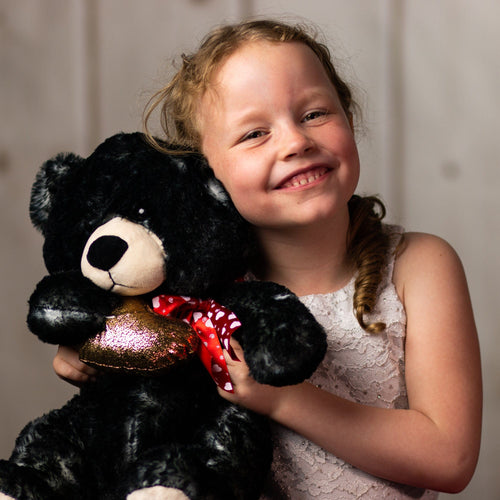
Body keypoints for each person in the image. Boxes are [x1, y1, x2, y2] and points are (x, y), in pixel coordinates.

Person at [54, 19, 482, 499]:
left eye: (315, 113)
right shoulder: (197, 294)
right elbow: (138, 366)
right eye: (255, 133)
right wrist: (90, 352)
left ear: (349, 117)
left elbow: (451, 457)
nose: (296, 142)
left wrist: (284, 400)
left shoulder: (418, 266)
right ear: (206, 172)